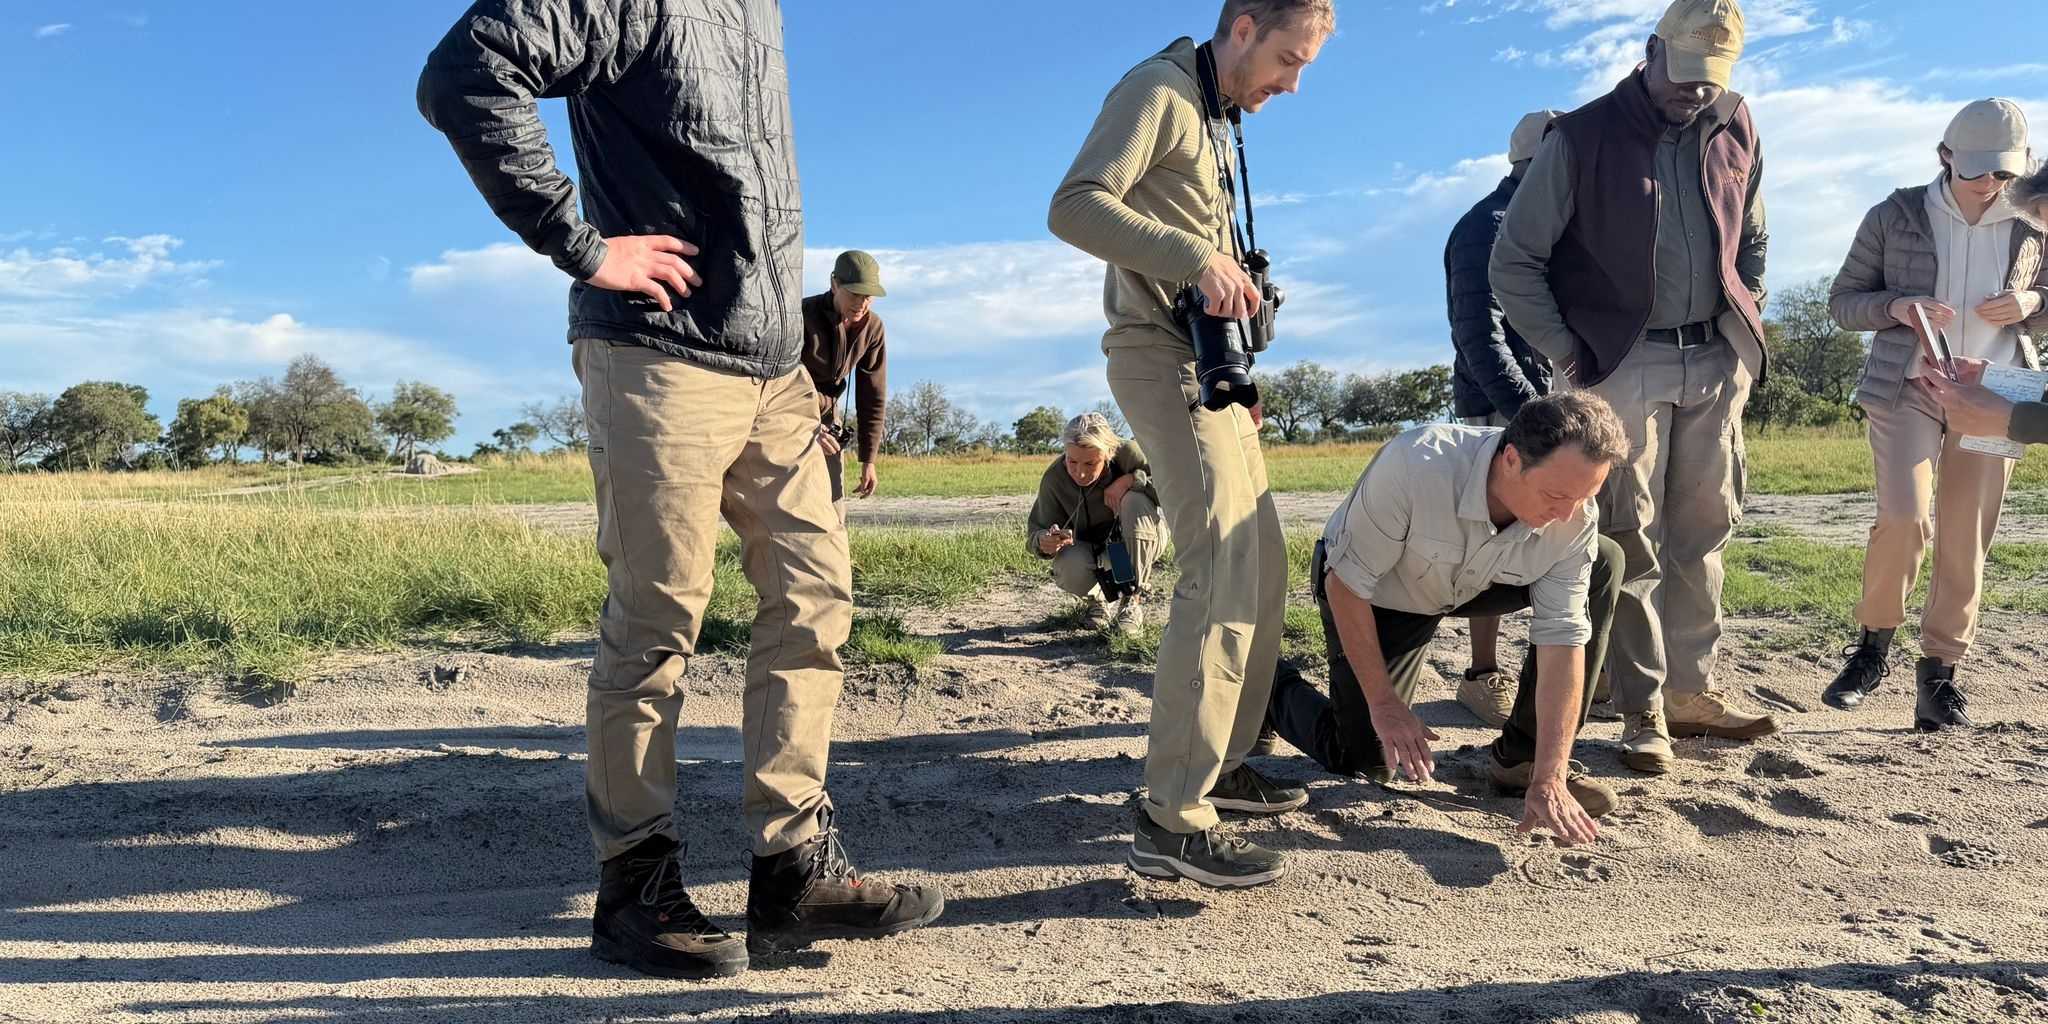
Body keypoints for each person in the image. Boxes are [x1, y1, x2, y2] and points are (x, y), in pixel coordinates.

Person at [417, 0, 941, 980]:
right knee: (658, 610)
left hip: (774, 366)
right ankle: (633, 884)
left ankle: (791, 863)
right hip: (656, 353)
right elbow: (465, 72)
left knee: (817, 596)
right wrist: (583, 245)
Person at [1048, 0, 1334, 889]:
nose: (1293, 83)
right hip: (1157, 355)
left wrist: (1238, 351)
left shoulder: (1214, 115)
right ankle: (1170, 815)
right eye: (1288, 59)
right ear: (1242, 27)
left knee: (1266, 559)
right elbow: (1074, 206)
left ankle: (1226, 762)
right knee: (1215, 569)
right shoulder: (1159, 92)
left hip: (1210, 368)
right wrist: (1194, 258)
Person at [1490, 0, 1779, 777]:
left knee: (1704, 533)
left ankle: (1692, 693)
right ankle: (1642, 710)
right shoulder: (1580, 137)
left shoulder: (1737, 121)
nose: (1694, 93)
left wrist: (1741, 334)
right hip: (1618, 365)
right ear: (1650, 51)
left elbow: (1751, 235)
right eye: (1682, 77)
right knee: (1631, 538)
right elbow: (1513, 263)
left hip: (1713, 361)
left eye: (1709, 82)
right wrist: (1571, 354)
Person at [1266, 393, 1629, 845]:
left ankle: (1523, 762)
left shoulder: (1574, 514)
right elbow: (1347, 585)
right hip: (1382, 591)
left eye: (1585, 496)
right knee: (1365, 754)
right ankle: (1266, 686)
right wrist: (1386, 706)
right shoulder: (1416, 465)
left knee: (1604, 560)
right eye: (1556, 495)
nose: (1567, 515)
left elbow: (1563, 638)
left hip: (1481, 582)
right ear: (1511, 458)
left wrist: (1551, 775)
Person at [1820, 99, 2048, 731]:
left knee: (1966, 536)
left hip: (2003, 391)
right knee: (1903, 515)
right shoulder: (1894, 214)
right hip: (1908, 386)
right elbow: (1843, 302)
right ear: (1945, 155)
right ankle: (1870, 651)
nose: (1989, 185)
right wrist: (1897, 307)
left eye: (2003, 173)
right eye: (1976, 170)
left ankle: (1940, 677)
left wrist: (2033, 300)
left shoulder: (2036, 221)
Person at [1446, 108, 1562, 729]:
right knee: (1485, 534)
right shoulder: (1481, 227)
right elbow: (1476, 333)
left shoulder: (1551, 222)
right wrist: (1529, 412)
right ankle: (1481, 674)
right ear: (1537, 159)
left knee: (1554, 529)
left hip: (1543, 394)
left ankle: (1550, 673)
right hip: (1498, 403)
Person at [1027, 413, 1167, 636]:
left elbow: (1170, 489)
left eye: (1090, 463)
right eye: (1072, 461)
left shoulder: (1128, 453)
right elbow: (1036, 530)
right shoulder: (1054, 478)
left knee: (1134, 500)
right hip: (1094, 552)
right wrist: (1044, 541)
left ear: (1109, 454)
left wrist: (1130, 480)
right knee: (1068, 562)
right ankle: (1097, 603)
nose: (1080, 472)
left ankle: (1131, 603)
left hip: (1139, 539)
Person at [803, 251, 889, 515]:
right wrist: (807, 427)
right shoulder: (801, 315)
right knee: (791, 505)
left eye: (868, 296)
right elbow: (778, 382)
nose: (862, 304)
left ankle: (834, 555)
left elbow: (872, 395)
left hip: (829, 418)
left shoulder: (873, 327)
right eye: (854, 294)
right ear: (834, 284)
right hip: (788, 413)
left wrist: (868, 460)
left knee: (833, 508)